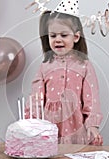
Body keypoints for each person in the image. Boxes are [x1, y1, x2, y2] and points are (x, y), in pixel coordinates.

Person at [26, 9, 103, 145]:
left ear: (76, 37)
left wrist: (92, 125)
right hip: (48, 128)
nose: (58, 39)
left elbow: (92, 99)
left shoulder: (84, 66)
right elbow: (36, 99)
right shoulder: (45, 66)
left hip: (76, 128)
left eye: (64, 35)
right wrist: (32, 122)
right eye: (53, 35)